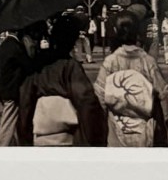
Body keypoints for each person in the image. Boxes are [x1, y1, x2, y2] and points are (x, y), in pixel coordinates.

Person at [18, 14, 107, 147]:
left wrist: (24, 135)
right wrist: (94, 137)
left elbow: (25, 102)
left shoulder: (38, 64)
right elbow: (86, 101)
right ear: (72, 40)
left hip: (39, 134)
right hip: (66, 136)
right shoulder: (70, 67)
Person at [94, 10, 168, 147]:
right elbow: (163, 93)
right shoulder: (147, 61)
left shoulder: (110, 61)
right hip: (145, 127)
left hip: (117, 127)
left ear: (115, 31)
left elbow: (100, 96)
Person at [0, 23, 41, 146]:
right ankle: (1, 146)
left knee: (13, 120)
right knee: (8, 121)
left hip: (3, 88)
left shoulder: (2, 46)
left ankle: (16, 144)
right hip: (12, 89)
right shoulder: (16, 47)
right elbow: (28, 65)